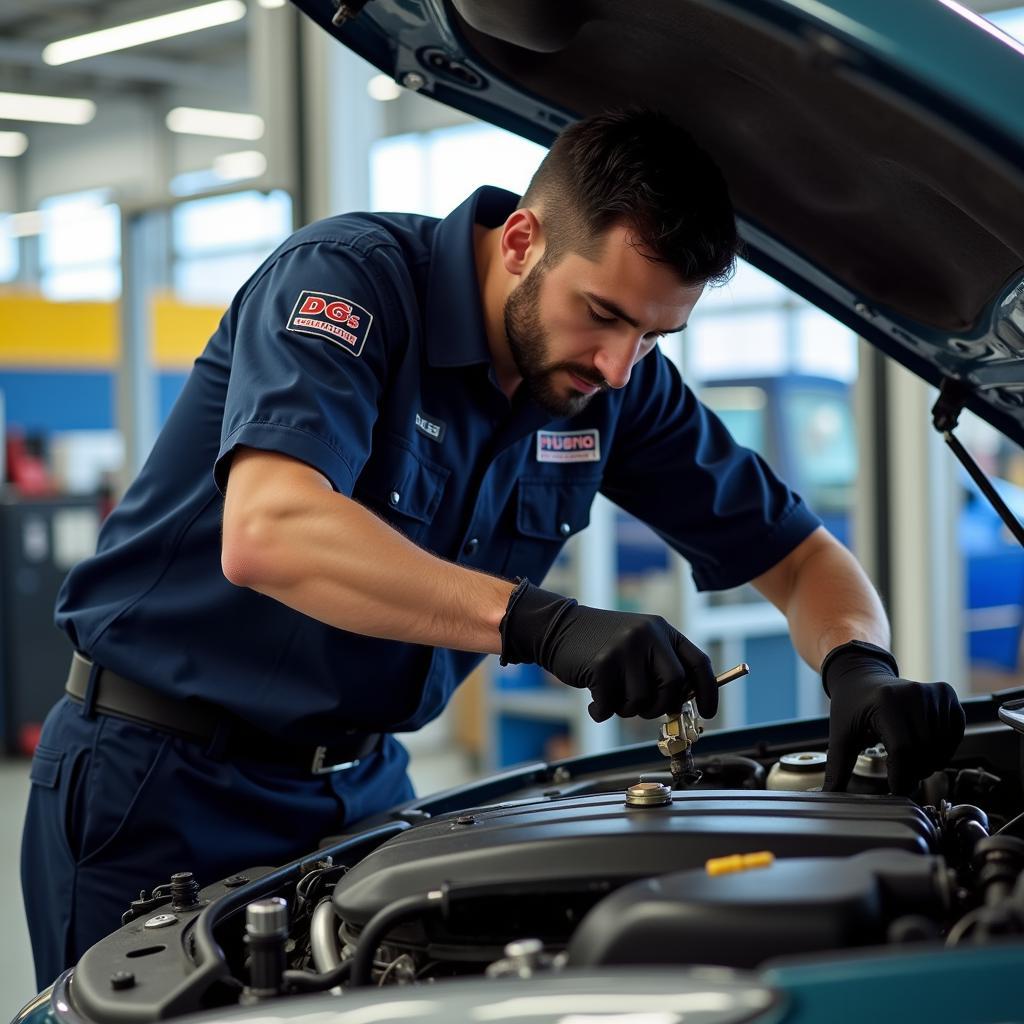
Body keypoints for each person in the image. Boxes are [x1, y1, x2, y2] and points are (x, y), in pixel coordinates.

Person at [20, 107, 964, 988]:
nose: (617, 365)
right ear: (522, 241)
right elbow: (270, 531)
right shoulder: (347, 286)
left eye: (653, 333)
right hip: (157, 778)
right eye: (601, 313)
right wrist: (541, 624)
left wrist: (859, 664)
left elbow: (800, 559)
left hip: (362, 784)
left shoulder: (616, 383)